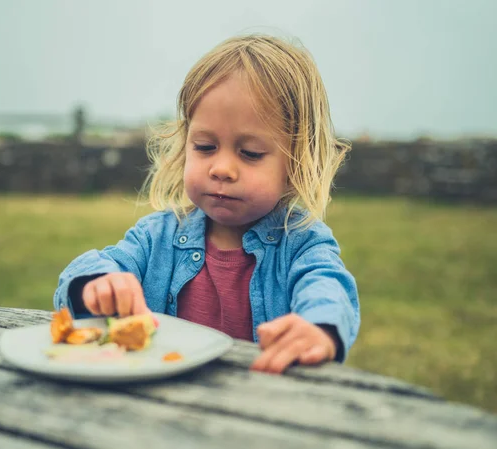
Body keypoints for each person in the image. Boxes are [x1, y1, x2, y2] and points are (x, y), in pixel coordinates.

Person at [53, 34, 360, 373]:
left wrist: (318, 328)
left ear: (296, 161)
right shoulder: (157, 236)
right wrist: (98, 284)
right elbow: (84, 275)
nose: (222, 169)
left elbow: (330, 290)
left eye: (250, 153)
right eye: (204, 146)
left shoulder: (302, 242)